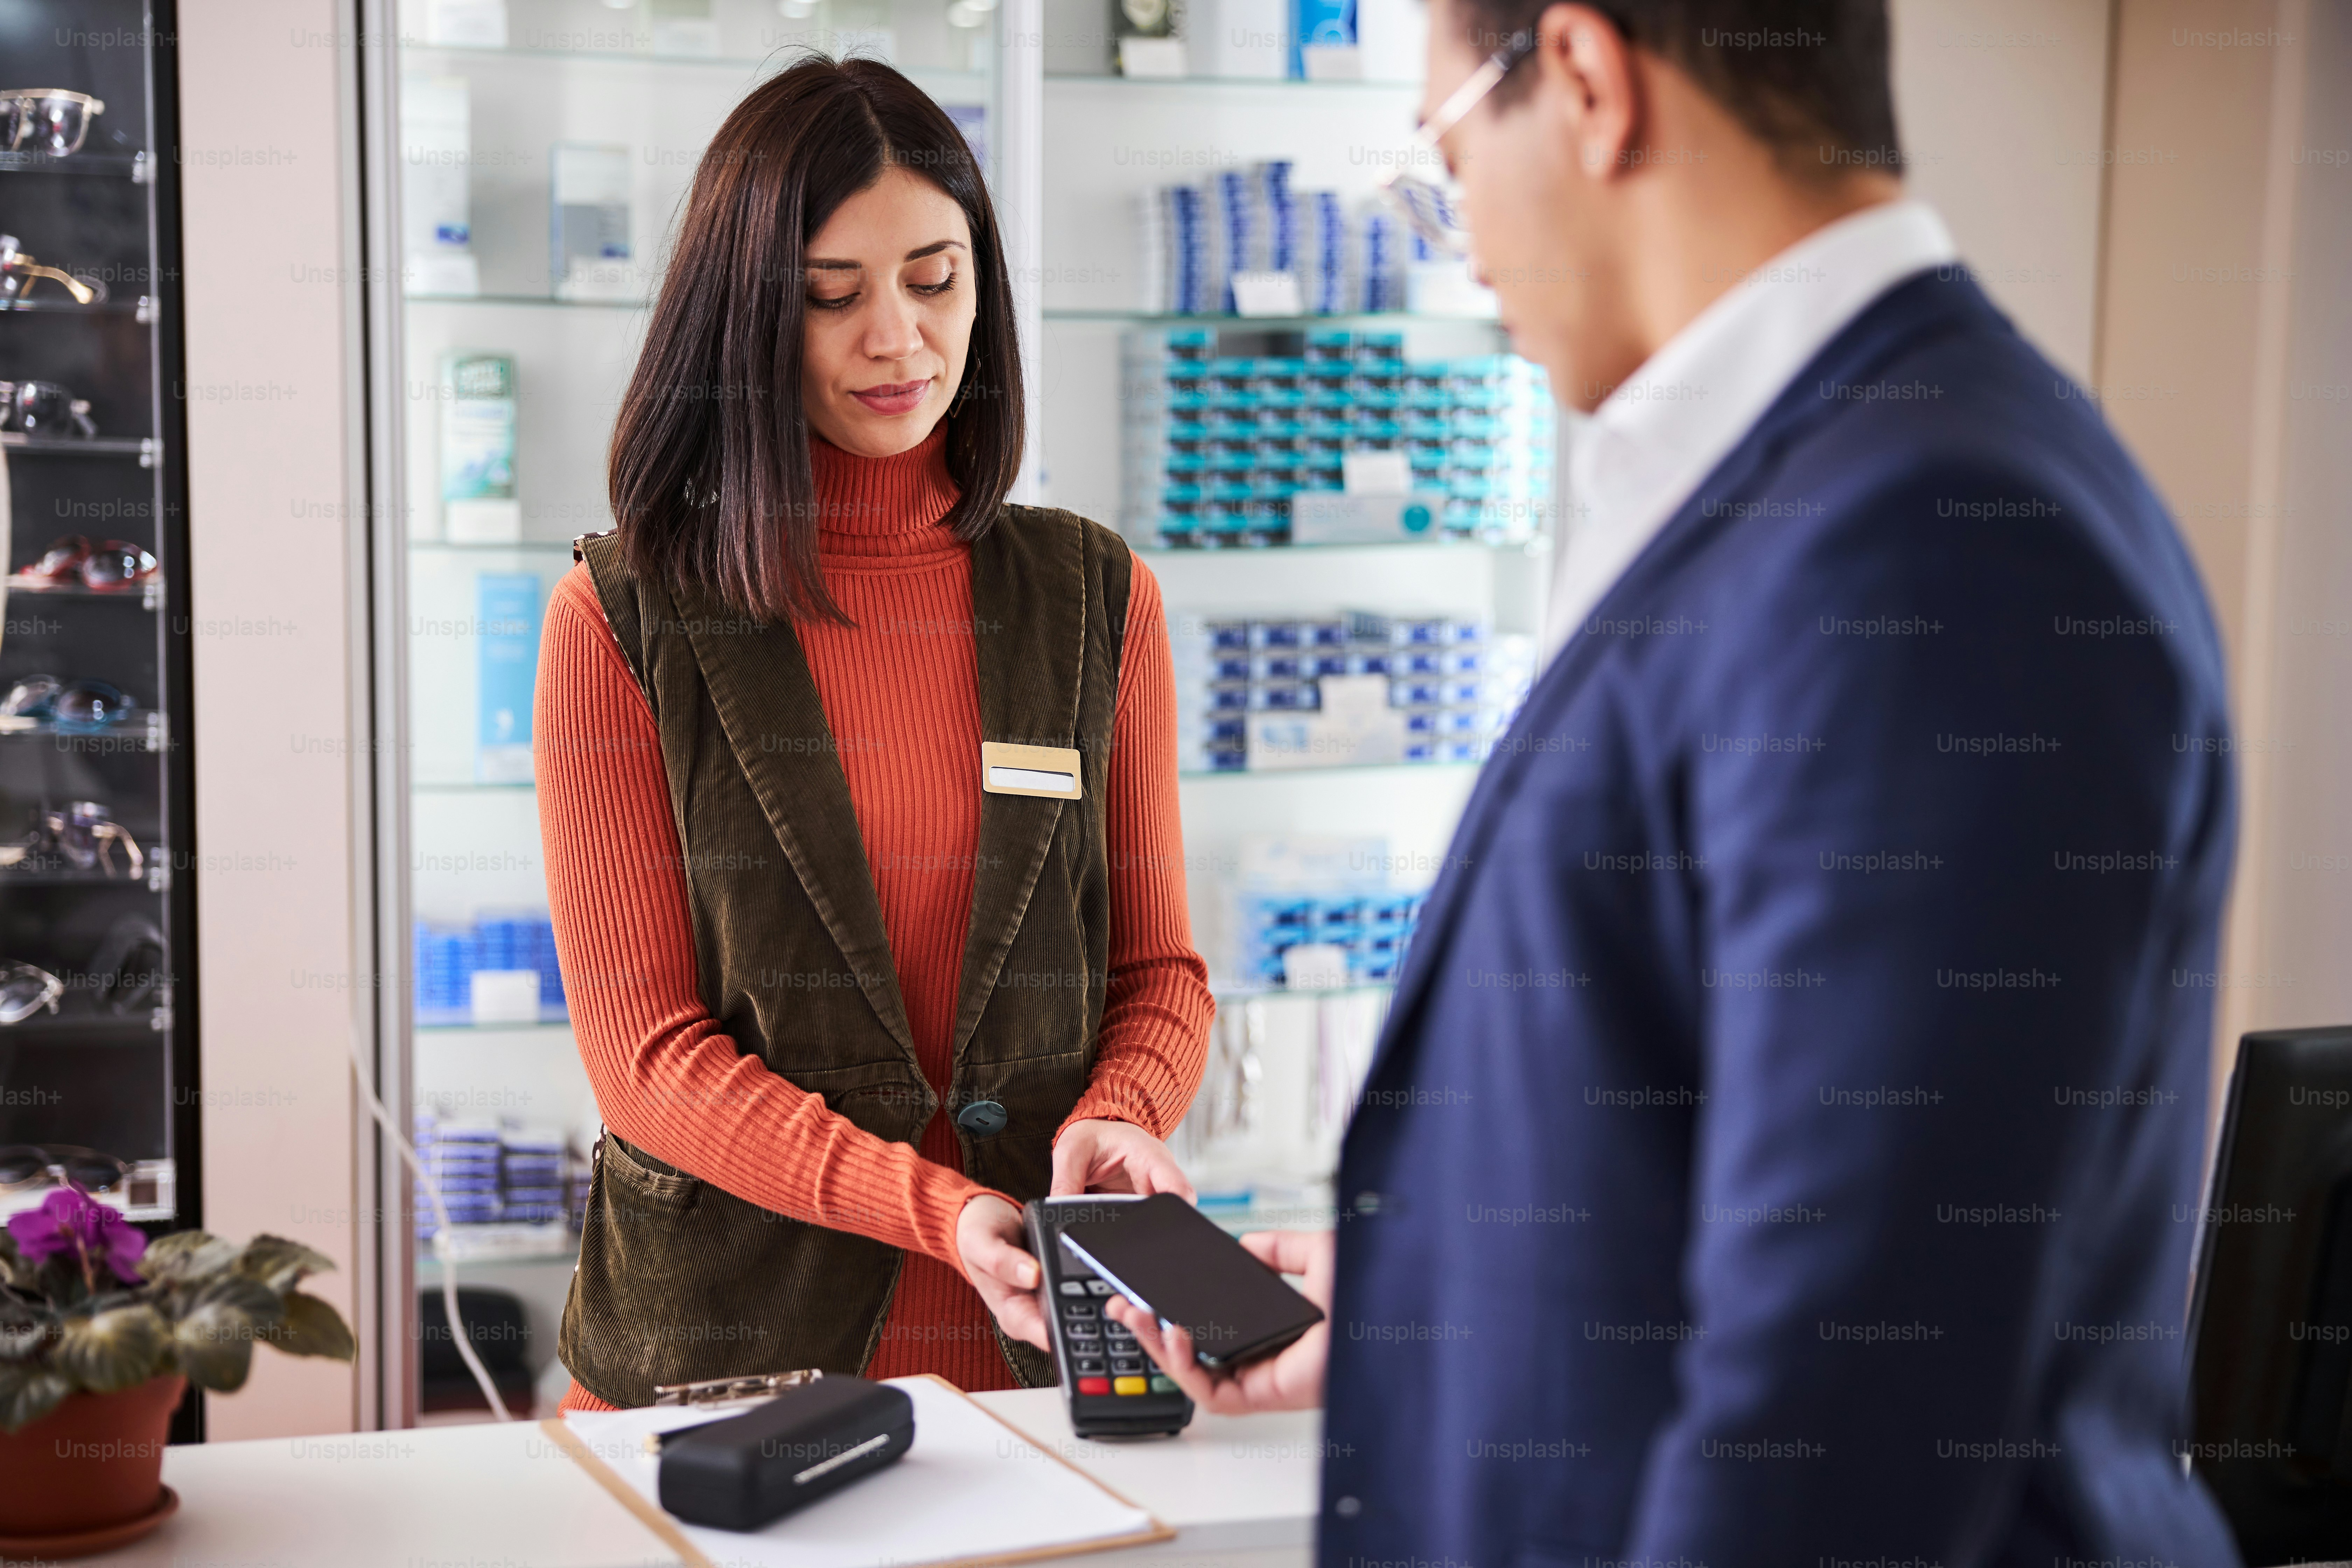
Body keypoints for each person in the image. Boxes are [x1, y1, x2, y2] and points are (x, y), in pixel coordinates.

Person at [1108, 1, 2242, 1561]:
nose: (1459, 239)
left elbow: (1835, 1399)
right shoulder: (1802, 474)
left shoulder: (1930, 541)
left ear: (1586, 81)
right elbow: (1719, 1133)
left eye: (1446, 160)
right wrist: (1439, 1305)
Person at [535, 56, 1211, 1407]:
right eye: (832, 296)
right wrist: (934, 1209)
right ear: (745, 319)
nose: (900, 339)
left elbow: (1159, 974)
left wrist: (1120, 1116)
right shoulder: (624, 619)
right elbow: (648, 1059)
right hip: (728, 1370)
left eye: (935, 280)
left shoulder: (1094, 596)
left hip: (1033, 1365)